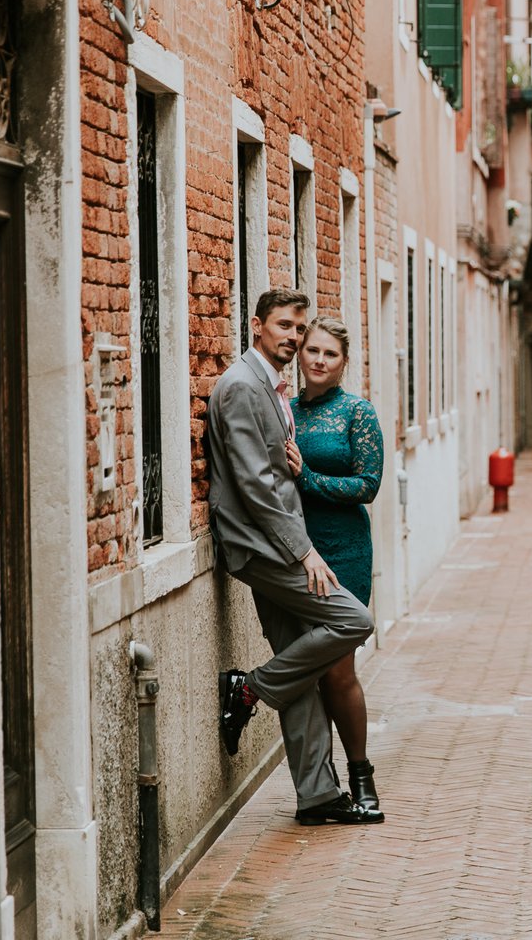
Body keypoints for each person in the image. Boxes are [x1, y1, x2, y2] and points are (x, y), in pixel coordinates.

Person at [207, 287, 375, 827]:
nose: (295, 338)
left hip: (281, 541)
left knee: (301, 671)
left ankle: (318, 794)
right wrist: (304, 552)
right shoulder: (241, 386)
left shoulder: (270, 386)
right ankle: (250, 688)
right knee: (354, 620)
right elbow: (256, 484)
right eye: (285, 326)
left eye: (300, 329)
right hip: (265, 548)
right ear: (257, 326)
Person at [284, 317, 387, 821]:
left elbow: (368, 485)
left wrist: (308, 478)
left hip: (344, 553)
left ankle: (361, 776)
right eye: (313, 351)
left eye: (331, 354)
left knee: (339, 670)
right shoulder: (283, 410)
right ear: (300, 354)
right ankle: (319, 791)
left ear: (344, 363)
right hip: (294, 553)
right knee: (309, 673)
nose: (320, 360)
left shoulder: (356, 413)